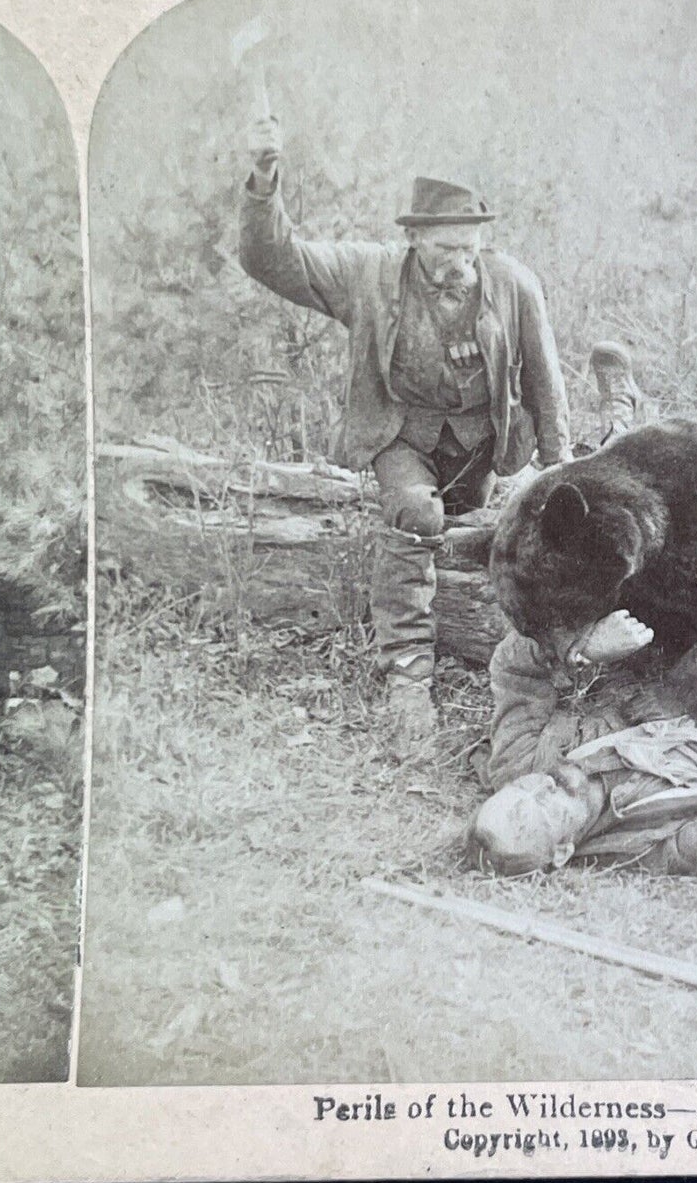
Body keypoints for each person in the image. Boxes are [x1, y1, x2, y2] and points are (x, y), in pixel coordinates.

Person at [239, 115, 572, 755]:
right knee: (417, 516)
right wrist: (263, 180)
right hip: (404, 439)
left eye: (471, 247)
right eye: (447, 248)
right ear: (416, 240)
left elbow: (546, 385)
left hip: (482, 448)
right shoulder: (369, 275)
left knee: (489, 535)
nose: (462, 262)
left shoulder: (512, 284)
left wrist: (560, 472)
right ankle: (407, 671)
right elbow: (274, 259)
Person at [470, 609, 697, 878]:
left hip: (675, 650)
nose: (540, 784)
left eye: (519, 789)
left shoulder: (519, 762)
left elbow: (514, 669)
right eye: (541, 810)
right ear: (562, 851)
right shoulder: (641, 843)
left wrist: (581, 649)